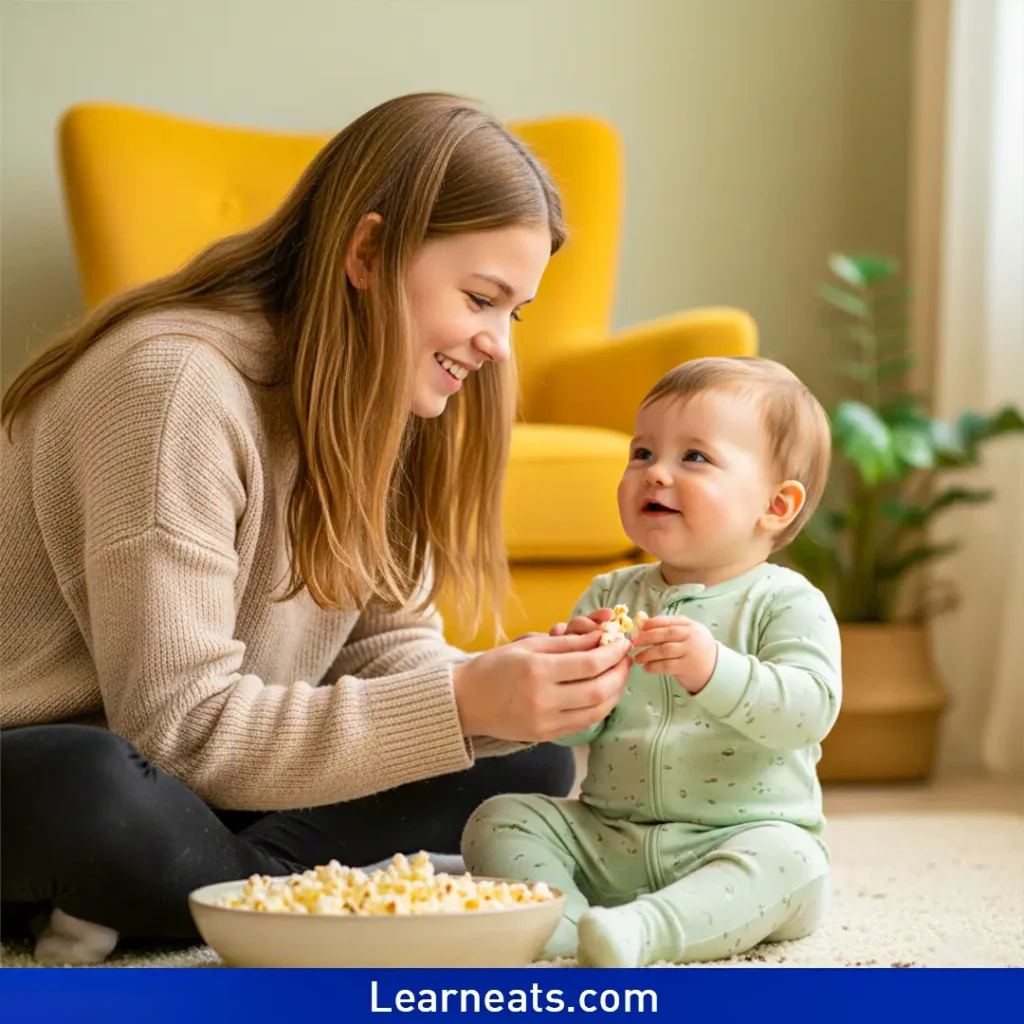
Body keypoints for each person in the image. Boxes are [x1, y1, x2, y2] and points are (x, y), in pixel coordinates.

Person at [0, 93, 633, 965]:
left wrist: (506, 691)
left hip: (201, 781)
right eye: (481, 298)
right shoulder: (175, 385)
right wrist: (461, 702)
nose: (498, 346)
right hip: (65, 758)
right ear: (367, 253)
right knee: (96, 790)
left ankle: (199, 891)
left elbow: (387, 649)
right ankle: (228, 887)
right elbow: (176, 728)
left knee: (527, 762)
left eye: (513, 312)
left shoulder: (384, 396)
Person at [463, 356, 842, 966]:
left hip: (738, 841)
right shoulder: (610, 594)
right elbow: (577, 734)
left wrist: (714, 670)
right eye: (641, 453)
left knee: (793, 863)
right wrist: (575, 679)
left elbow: (809, 711)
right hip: (609, 835)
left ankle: (645, 931)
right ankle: (568, 926)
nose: (655, 473)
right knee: (500, 817)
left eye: (694, 457)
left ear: (776, 505)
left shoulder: (786, 601)